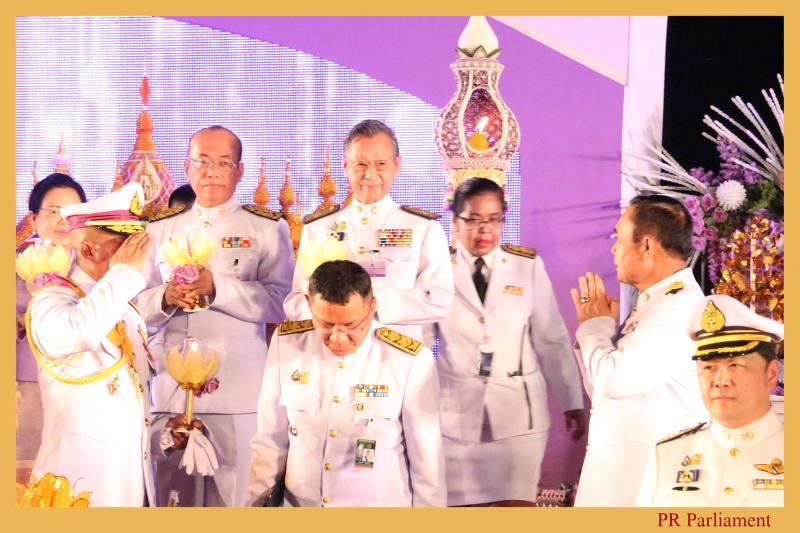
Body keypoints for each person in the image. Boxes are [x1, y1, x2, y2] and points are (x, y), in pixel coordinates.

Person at [137, 125, 294, 507]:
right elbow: (133, 306)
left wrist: (217, 288)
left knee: (236, 500)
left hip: (237, 389)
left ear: (239, 171)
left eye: (223, 163)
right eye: (202, 161)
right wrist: (166, 297)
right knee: (171, 501)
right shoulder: (159, 229)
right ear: (187, 168)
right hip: (170, 389)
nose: (211, 171)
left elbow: (281, 303)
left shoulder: (266, 228)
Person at [423, 178, 586, 506]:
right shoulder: (435, 271)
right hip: (455, 419)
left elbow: (552, 339)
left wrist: (572, 401)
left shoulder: (526, 266)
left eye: (494, 219)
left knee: (515, 510)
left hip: (518, 417)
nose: (484, 230)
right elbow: (423, 346)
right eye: (473, 219)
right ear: (454, 221)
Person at [248, 260, 446, 507]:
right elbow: (269, 442)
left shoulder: (409, 360)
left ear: (372, 308)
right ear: (309, 304)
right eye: (325, 324)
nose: (338, 338)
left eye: (351, 326)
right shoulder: (286, 344)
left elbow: (427, 463)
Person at [570, 194, 708, 506]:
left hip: (645, 486)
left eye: (619, 237)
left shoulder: (677, 306)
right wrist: (598, 332)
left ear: (646, 246)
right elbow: (605, 392)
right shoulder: (655, 303)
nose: (614, 248)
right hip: (625, 480)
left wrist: (595, 328)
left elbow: (614, 382)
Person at [26, 183, 155, 506]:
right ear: (87, 250)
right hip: (75, 486)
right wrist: (122, 273)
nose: (137, 258)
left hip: (126, 482)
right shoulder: (52, 299)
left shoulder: (126, 309)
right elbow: (81, 332)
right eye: (125, 247)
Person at [283, 119, 454, 340]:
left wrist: (365, 303)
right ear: (346, 166)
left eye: (381, 164)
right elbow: (296, 301)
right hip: (332, 350)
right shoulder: (318, 227)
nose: (369, 175)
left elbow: (438, 300)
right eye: (360, 164)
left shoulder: (423, 228)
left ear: (397, 165)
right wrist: (333, 313)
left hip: (394, 352)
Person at [637, 295, 784, 506]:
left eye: (735, 365)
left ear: (771, 374)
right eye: (709, 367)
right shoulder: (668, 456)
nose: (720, 381)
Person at [16, 173, 86, 464]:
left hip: (84, 389)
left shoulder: (97, 271)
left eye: (72, 212)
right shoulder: (15, 266)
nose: (63, 220)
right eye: (54, 211)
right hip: (28, 388)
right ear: (34, 219)